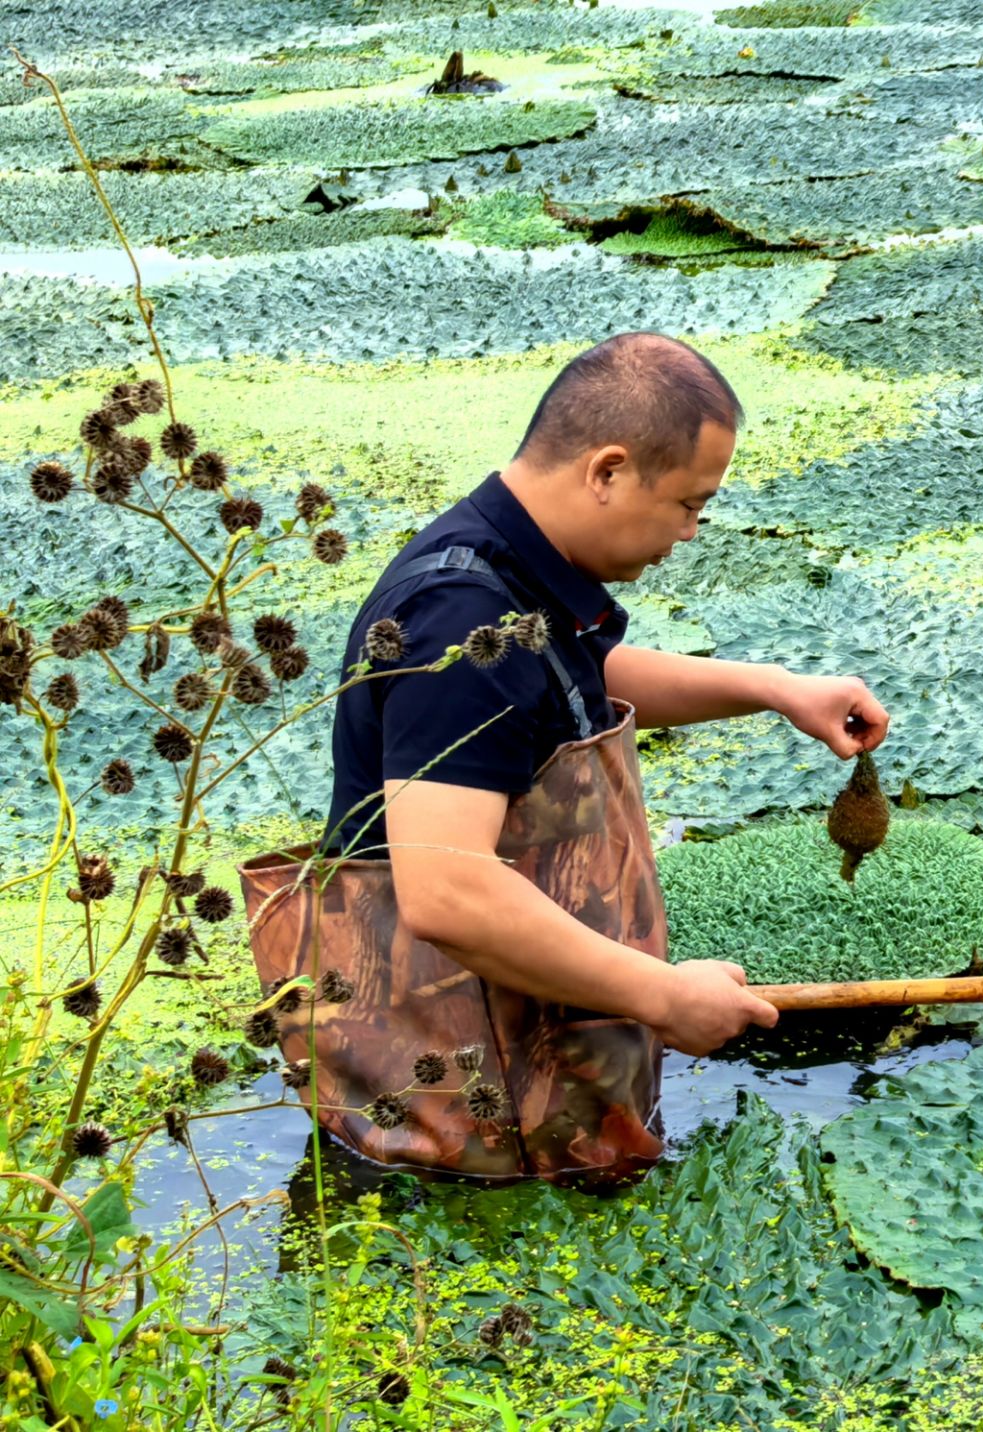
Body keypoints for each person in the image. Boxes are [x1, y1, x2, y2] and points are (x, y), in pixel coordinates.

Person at [238, 331, 890, 1181]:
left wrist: (775, 689)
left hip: (538, 1067)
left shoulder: (511, 568)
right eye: (689, 503)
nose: (692, 531)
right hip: (460, 1119)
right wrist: (663, 996)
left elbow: (570, 679)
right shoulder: (458, 621)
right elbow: (447, 893)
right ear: (608, 471)